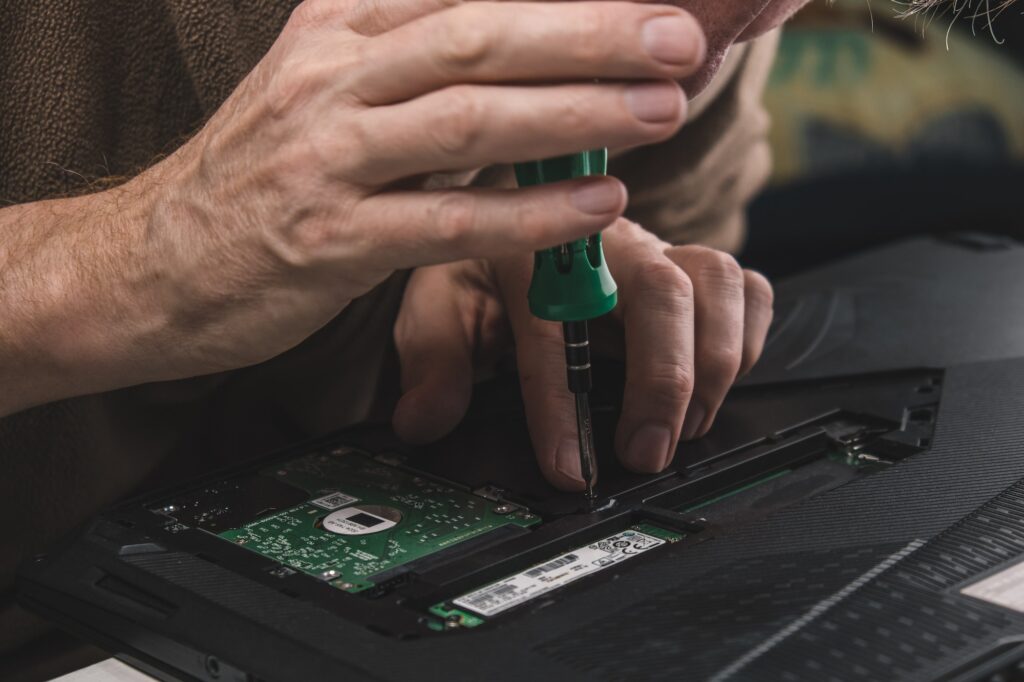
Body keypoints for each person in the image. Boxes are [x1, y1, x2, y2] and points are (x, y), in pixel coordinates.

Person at [0, 0, 809, 675]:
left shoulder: (705, 31)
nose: (694, 63)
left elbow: (676, 206)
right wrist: (129, 258)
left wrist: (414, 282)